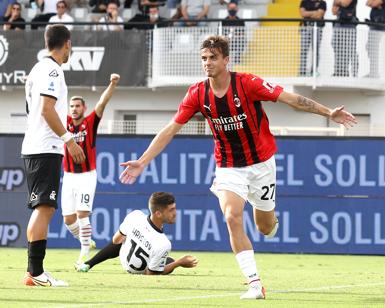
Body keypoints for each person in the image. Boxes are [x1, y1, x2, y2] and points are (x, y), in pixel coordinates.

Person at [119, 35, 357, 299]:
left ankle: (270, 217)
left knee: (265, 227)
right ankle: (255, 284)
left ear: (226, 60)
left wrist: (328, 113)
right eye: (204, 58)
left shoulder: (248, 84)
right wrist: (143, 160)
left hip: (262, 164)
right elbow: (170, 129)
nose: (207, 63)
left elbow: (291, 99)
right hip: (229, 166)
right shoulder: (197, 93)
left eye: (212, 58)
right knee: (232, 216)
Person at [21, 24, 85, 287]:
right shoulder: (52, 69)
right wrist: (69, 139)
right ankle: (35, 273)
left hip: (36, 146)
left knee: (42, 207)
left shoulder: (37, 68)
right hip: (44, 147)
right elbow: (48, 110)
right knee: (44, 207)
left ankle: (33, 272)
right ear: (67, 43)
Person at [61, 73, 120, 266]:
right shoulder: (64, 122)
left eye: (78, 106)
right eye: (72, 106)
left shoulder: (90, 122)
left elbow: (102, 102)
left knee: (82, 214)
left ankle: (84, 254)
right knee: (68, 220)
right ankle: (86, 241)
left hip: (86, 176)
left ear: (84, 108)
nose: (74, 109)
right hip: (68, 176)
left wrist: (112, 84)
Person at [75, 192, 198, 274]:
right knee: (170, 261)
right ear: (158, 214)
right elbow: (151, 274)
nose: (175, 213)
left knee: (123, 237)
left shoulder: (135, 216)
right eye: (171, 210)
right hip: (139, 271)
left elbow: (116, 240)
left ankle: (88, 264)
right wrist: (179, 263)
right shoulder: (164, 243)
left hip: (124, 259)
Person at [365, 0, 385, 78]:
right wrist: (375, 5)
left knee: (373, 48)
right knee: (370, 48)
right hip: (373, 24)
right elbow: (368, 3)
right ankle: (373, 72)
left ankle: (374, 73)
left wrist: (374, 4)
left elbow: (373, 3)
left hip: (379, 24)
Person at [299, 0, 326, 76]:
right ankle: (302, 71)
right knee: (303, 50)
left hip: (317, 29)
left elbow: (319, 15)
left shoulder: (322, 3)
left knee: (316, 50)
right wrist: (315, 12)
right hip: (305, 28)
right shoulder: (304, 2)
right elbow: (302, 13)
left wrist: (308, 14)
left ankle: (314, 71)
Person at [331, 0, 358, 77]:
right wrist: (340, 3)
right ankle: (338, 70)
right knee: (336, 45)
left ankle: (347, 72)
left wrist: (337, 2)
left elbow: (345, 3)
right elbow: (333, 11)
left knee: (348, 48)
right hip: (339, 22)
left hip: (349, 23)